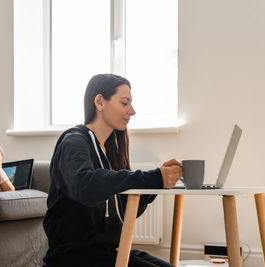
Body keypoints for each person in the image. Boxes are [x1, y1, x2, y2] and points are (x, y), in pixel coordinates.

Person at [43, 74, 183, 267]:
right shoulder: (74, 140)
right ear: (100, 102)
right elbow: (84, 185)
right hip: (75, 257)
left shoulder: (108, 152)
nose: (132, 111)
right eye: (124, 103)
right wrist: (152, 178)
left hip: (106, 252)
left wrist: (158, 182)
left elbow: (124, 212)